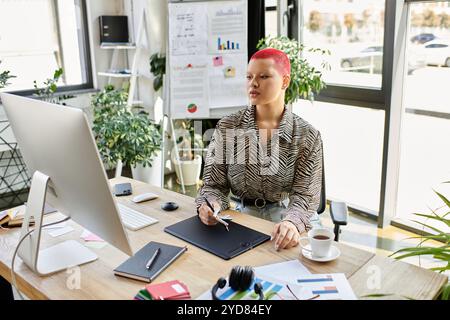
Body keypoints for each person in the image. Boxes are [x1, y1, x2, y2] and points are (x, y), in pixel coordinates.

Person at [195, 48, 323, 251]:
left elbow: (305, 196)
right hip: (242, 217)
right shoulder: (227, 127)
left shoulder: (308, 136)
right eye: (249, 76)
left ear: (285, 81)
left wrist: (292, 223)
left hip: (289, 219)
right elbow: (213, 185)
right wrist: (210, 205)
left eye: (264, 76)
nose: (253, 83)